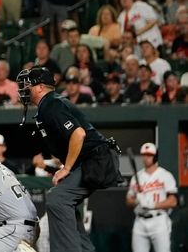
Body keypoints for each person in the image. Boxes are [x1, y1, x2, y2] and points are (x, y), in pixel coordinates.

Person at [16, 67, 122, 252]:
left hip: (95, 160)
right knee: (65, 202)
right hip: (92, 160)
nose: (25, 90)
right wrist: (66, 167)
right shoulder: (49, 104)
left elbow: (78, 134)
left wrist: (66, 169)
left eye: (28, 86)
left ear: (40, 87)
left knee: (57, 199)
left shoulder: (51, 104)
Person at [126, 142, 178, 252]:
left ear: (155, 156)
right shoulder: (137, 177)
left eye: (149, 155)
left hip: (159, 220)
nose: (146, 158)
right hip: (140, 221)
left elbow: (173, 201)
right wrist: (137, 200)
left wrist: (153, 205)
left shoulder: (165, 175)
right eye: (144, 155)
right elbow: (128, 201)